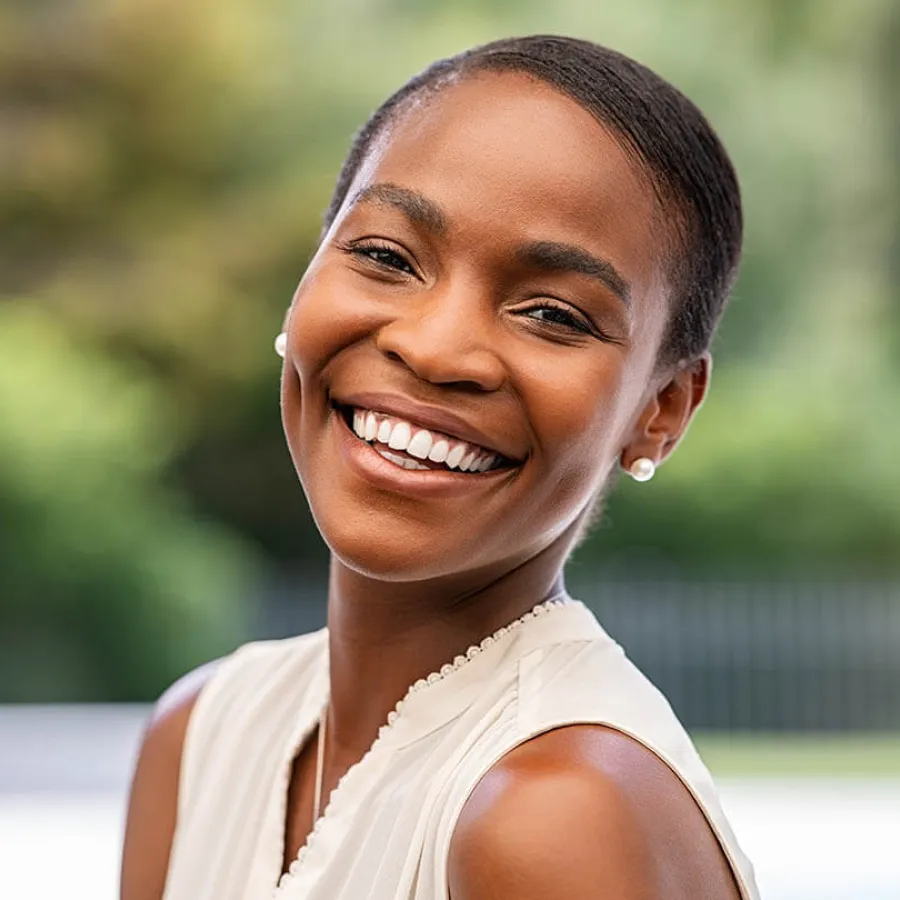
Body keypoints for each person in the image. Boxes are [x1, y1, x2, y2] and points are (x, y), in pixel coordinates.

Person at [121, 35, 759, 900]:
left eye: (553, 314)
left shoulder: (554, 814)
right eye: (386, 257)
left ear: (662, 411)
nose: (433, 348)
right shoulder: (202, 733)